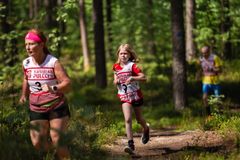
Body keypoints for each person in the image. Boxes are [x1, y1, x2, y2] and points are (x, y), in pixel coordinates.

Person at [19, 28, 71, 160]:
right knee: (37, 144)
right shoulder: (26, 63)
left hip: (56, 106)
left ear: (41, 44)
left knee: (57, 140)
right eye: (26, 44)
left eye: (31, 44)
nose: (28, 47)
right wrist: (23, 95)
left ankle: (61, 150)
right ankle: (58, 152)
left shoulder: (53, 62)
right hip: (36, 107)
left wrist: (53, 87)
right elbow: (26, 78)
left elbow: (67, 83)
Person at [112, 44, 150, 154]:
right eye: (121, 53)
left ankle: (146, 128)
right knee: (127, 119)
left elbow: (144, 77)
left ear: (129, 55)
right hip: (124, 96)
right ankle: (131, 144)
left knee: (139, 119)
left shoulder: (132, 66)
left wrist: (133, 77)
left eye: (125, 53)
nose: (123, 55)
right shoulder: (115, 66)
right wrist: (116, 81)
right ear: (118, 55)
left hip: (135, 95)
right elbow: (115, 79)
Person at [198, 45, 222, 116]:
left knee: (218, 99)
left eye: (205, 53)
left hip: (215, 81)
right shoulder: (201, 59)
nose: (204, 54)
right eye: (202, 53)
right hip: (205, 81)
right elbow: (200, 69)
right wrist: (198, 74)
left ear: (209, 52)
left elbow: (220, 70)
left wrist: (213, 69)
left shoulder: (215, 58)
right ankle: (209, 115)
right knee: (205, 98)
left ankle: (220, 114)